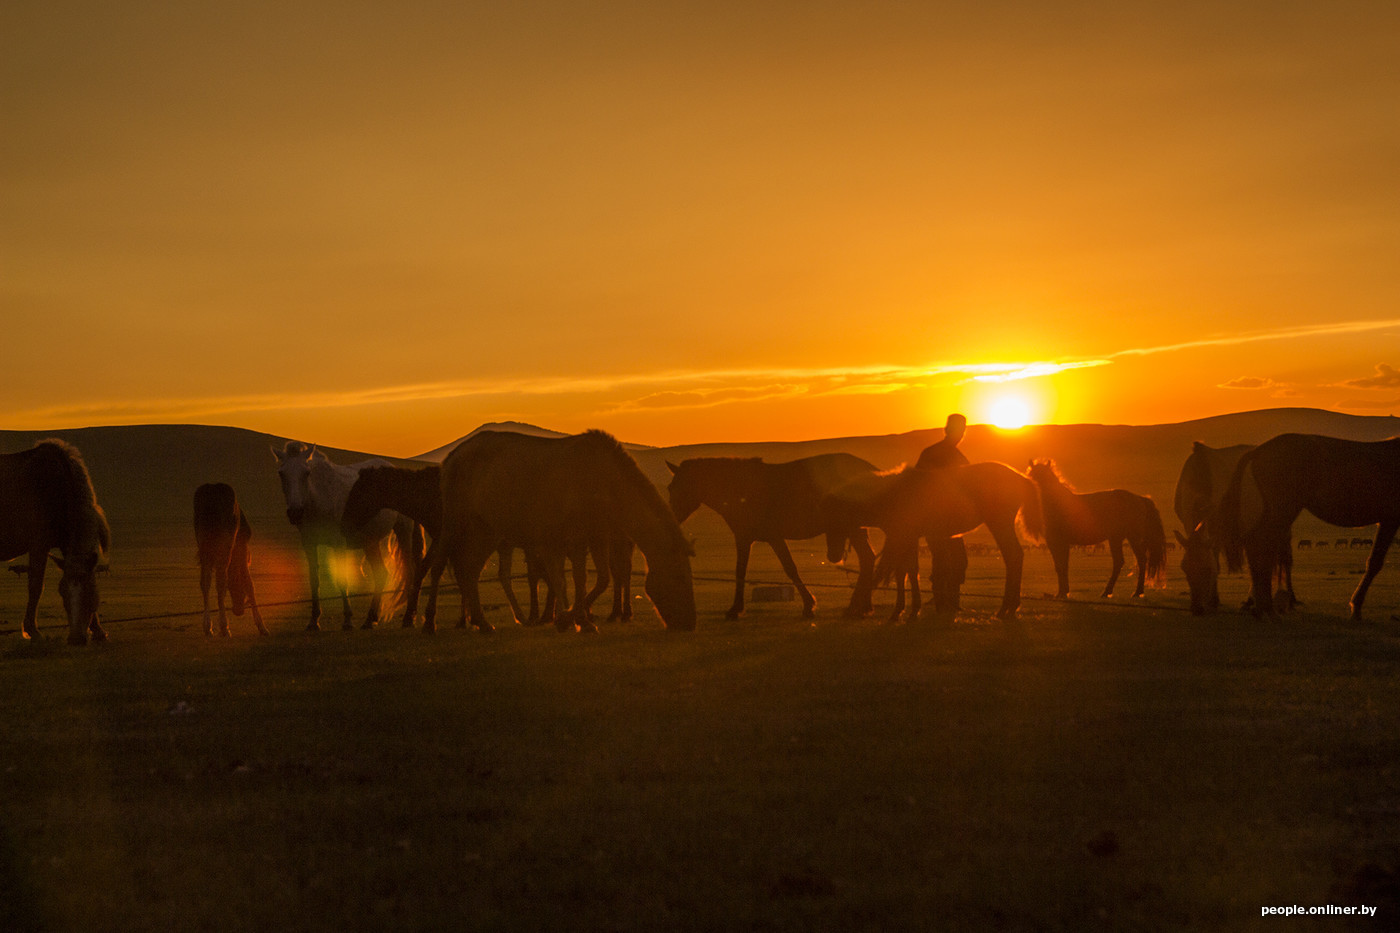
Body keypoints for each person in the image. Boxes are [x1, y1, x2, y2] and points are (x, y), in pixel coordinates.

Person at [915, 414, 969, 614]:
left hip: (953, 520)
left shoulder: (952, 455)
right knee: (944, 560)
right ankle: (942, 602)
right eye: (959, 430)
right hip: (936, 518)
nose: (961, 434)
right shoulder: (936, 453)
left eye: (963, 430)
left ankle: (950, 601)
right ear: (949, 430)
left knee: (957, 560)